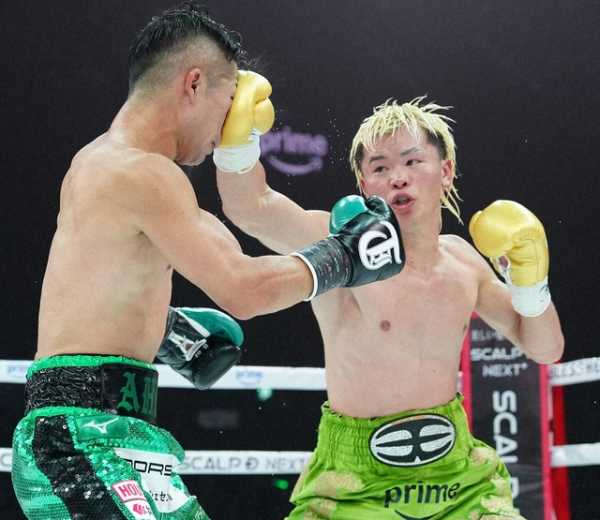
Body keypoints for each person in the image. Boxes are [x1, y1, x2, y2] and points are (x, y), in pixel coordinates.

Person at [10, 3, 405, 520]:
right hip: (82, 442)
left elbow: (94, 281)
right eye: (230, 102)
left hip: (111, 436)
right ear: (193, 84)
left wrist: (165, 329)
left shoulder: (108, 165)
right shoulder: (139, 173)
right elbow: (245, 289)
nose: (230, 123)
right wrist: (345, 257)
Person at [216, 96, 564, 519]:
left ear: (446, 171)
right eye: (380, 168)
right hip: (354, 484)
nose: (398, 178)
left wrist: (531, 283)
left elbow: (545, 348)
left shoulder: (464, 262)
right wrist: (238, 138)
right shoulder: (339, 246)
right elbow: (251, 208)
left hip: (457, 478)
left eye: (413, 162)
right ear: (365, 186)